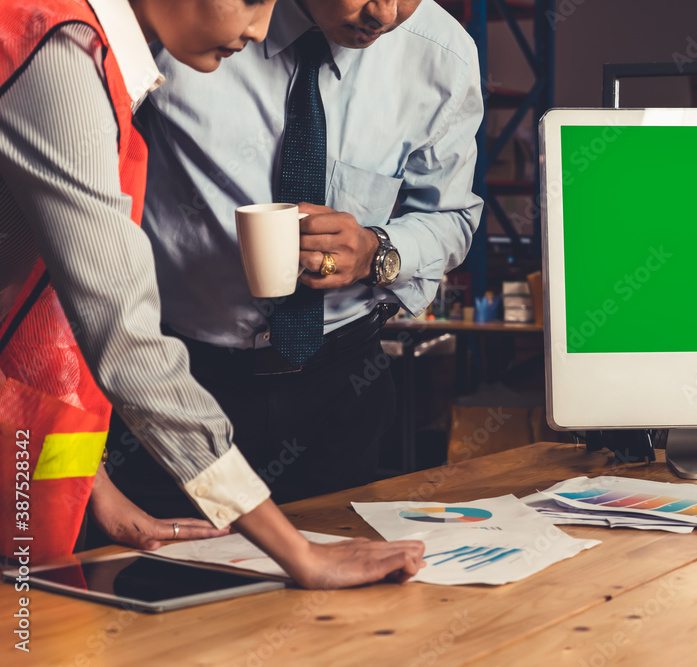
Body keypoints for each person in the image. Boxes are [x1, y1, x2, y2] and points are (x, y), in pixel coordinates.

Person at [0, 0, 423, 587]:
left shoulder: (76, 50)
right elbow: (125, 338)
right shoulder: (63, 57)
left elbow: (48, 328)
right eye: (250, 1)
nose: (257, 28)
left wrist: (96, 490)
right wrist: (298, 553)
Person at [106, 0, 483, 517]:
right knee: (164, 582)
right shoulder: (187, 22)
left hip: (341, 387)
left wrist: (377, 250)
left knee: (338, 583)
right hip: (179, 376)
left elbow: (452, 218)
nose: (386, 13)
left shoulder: (443, 55)